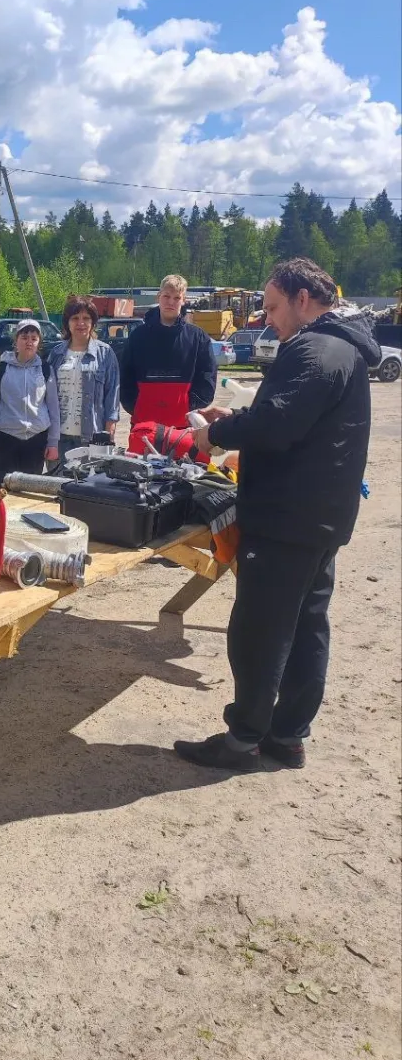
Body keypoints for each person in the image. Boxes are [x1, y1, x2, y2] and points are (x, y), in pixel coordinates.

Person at [175, 259, 381, 772]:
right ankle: (287, 737)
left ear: (302, 300)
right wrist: (239, 418)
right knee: (309, 626)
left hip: (286, 519)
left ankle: (243, 741)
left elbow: (278, 425)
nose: (268, 320)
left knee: (261, 632)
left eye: (272, 307)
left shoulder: (314, 348)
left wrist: (214, 434)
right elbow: (290, 417)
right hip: (320, 518)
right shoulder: (343, 348)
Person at [120, 274, 216, 446]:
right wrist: (137, 406)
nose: (171, 302)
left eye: (176, 297)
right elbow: (125, 378)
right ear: (159, 297)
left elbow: (207, 378)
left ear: (184, 300)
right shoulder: (138, 337)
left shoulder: (198, 338)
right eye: (166, 296)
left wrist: (189, 406)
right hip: (143, 428)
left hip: (184, 429)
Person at [0, 319, 60, 488]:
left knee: (29, 492)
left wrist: (53, 443)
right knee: (1, 489)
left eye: (33, 338)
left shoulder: (45, 370)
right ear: (16, 341)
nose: (29, 342)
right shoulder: (2, 369)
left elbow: (53, 408)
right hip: (4, 439)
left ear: (39, 343)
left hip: (35, 440)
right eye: (24, 337)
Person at [47, 296, 120, 467]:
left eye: (86, 318)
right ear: (67, 323)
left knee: (88, 488)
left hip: (91, 439)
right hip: (58, 438)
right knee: (56, 486)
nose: (81, 323)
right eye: (75, 318)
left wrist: (109, 431)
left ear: (93, 323)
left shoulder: (105, 353)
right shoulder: (56, 354)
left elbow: (113, 395)